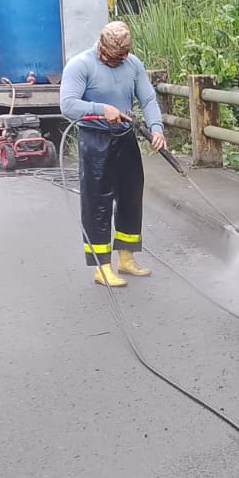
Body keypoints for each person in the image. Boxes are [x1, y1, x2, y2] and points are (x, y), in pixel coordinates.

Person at [59, 22, 167, 286]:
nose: (118, 59)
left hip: (125, 138)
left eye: (123, 55)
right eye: (113, 55)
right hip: (95, 140)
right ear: (101, 45)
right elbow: (68, 105)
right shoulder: (80, 65)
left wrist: (156, 127)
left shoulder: (133, 65)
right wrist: (101, 109)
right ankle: (102, 266)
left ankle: (126, 258)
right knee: (98, 203)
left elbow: (148, 99)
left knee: (131, 198)